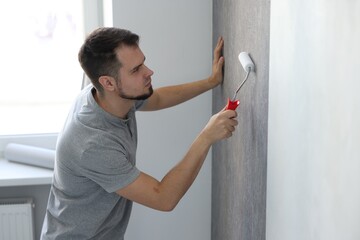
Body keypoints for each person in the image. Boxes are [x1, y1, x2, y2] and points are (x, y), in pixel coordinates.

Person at [40, 27, 238, 239]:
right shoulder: (93, 144)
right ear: (108, 82)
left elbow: (158, 98)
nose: (149, 72)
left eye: (143, 62)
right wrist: (206, 136)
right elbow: (164, 198)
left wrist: (211, 81)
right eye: (136, 70)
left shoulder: (109, 96)